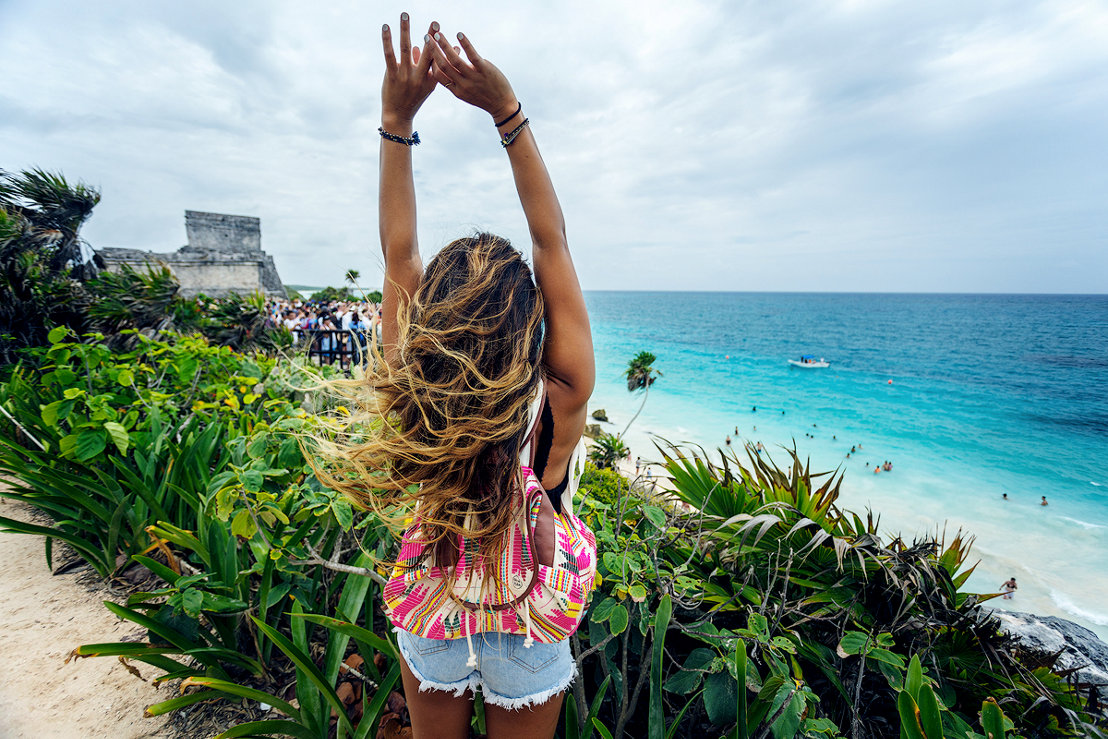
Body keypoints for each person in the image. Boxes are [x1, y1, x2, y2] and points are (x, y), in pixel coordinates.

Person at [314, 17, 595, 738]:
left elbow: (399, 253)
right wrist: (508, 114)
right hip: (530, 623)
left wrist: (395, 122)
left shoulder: (416, 395)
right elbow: (551, 241)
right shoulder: (558, 400)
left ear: (430, 325)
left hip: (434, 609)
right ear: (528, 327)